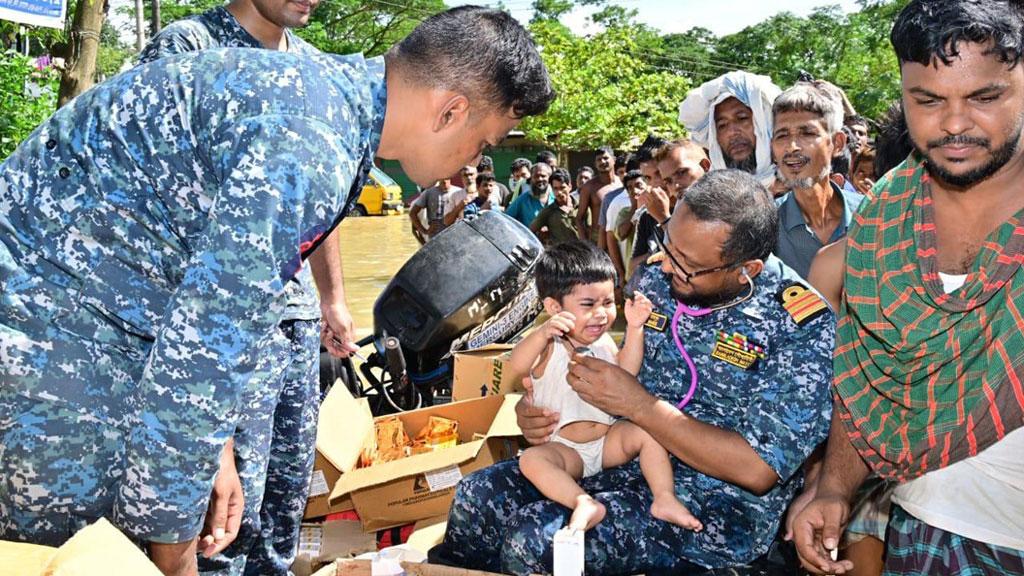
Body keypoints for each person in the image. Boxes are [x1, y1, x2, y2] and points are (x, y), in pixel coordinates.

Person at [0, 7, 554, 576]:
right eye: (482, 143)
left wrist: (206, 461)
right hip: (49, 334)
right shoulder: (309, 141)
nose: (474, 162)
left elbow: (207, 334)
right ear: (450, 112)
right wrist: (176, 551)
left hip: (91, 317)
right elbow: (203, 355)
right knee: (74, 554)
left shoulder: (326, 101)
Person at [432, 169, 834, 575]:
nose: (669, 266)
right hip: (616, 455)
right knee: (476, 497)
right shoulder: (658, 280)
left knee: (539, 541)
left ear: (746, 269)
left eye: (689, 266)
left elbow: (757, 469)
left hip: (714, 506)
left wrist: (639, 406)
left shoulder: (800, 326)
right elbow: (598, 363)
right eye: (669, 244)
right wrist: (538, 412)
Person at [792, 2, 1024, 574]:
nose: (953, 124)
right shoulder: (885, 214)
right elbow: (867, 369)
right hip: (918, 530)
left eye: (985, 98)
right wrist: (836, 489)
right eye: (928, 100)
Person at [137, 1, 341, 573]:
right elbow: (158, 205)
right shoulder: (190, 49)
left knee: (284, 502)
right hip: (223, 328)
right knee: (225, 515)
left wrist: (334, 300)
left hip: (296, 319)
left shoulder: (313, 70)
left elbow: (320, 201)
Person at [509, 240, 701, 533]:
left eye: (608, 303)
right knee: (533, 460)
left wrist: (635, 328)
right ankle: (582, 501)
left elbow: (625, 370)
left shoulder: (602, 341)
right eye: (588, 305)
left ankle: (664, 497)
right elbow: (516, 366)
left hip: (608, 442)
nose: (601, 314)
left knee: (650, 430)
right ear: (553, 306)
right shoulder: (550, 344)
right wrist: (541, 333)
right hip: (564, 449)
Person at [771, 82, 864, 279]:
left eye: (807, 133)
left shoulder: (870, 215)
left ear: (837, 143)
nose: (792, 147)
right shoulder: (766, 227)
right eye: (782, 135)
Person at [678, 70, 782, 184]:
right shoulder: (711, 196)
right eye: (722, 125)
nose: (732, 132)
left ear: (764, 123)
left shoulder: (800, 185)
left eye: (742, 118)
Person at [576, 146, 620, 243]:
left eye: (605, 158)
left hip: (621, 233)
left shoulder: (622, 183)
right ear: (595, 164)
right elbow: (579, 219)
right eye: (599, 160)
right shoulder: (589, 187)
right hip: (598, 237)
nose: (602, 162)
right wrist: (585, 243)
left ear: (614, 160)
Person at [529, 168, 577, 246]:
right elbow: (530, 231)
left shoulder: (581, 206)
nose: (559, 192)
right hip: (560, 255)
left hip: (582, 254)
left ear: (570, 187)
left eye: (562, 188)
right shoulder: (548, 211)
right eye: (555, 188)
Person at [507, 161, 553, 227]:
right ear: (531, 178)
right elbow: (507, 220)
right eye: (536, 176)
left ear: (549, 178)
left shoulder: (556, 198)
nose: (539, 179)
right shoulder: (522, 200)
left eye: (543, 176)